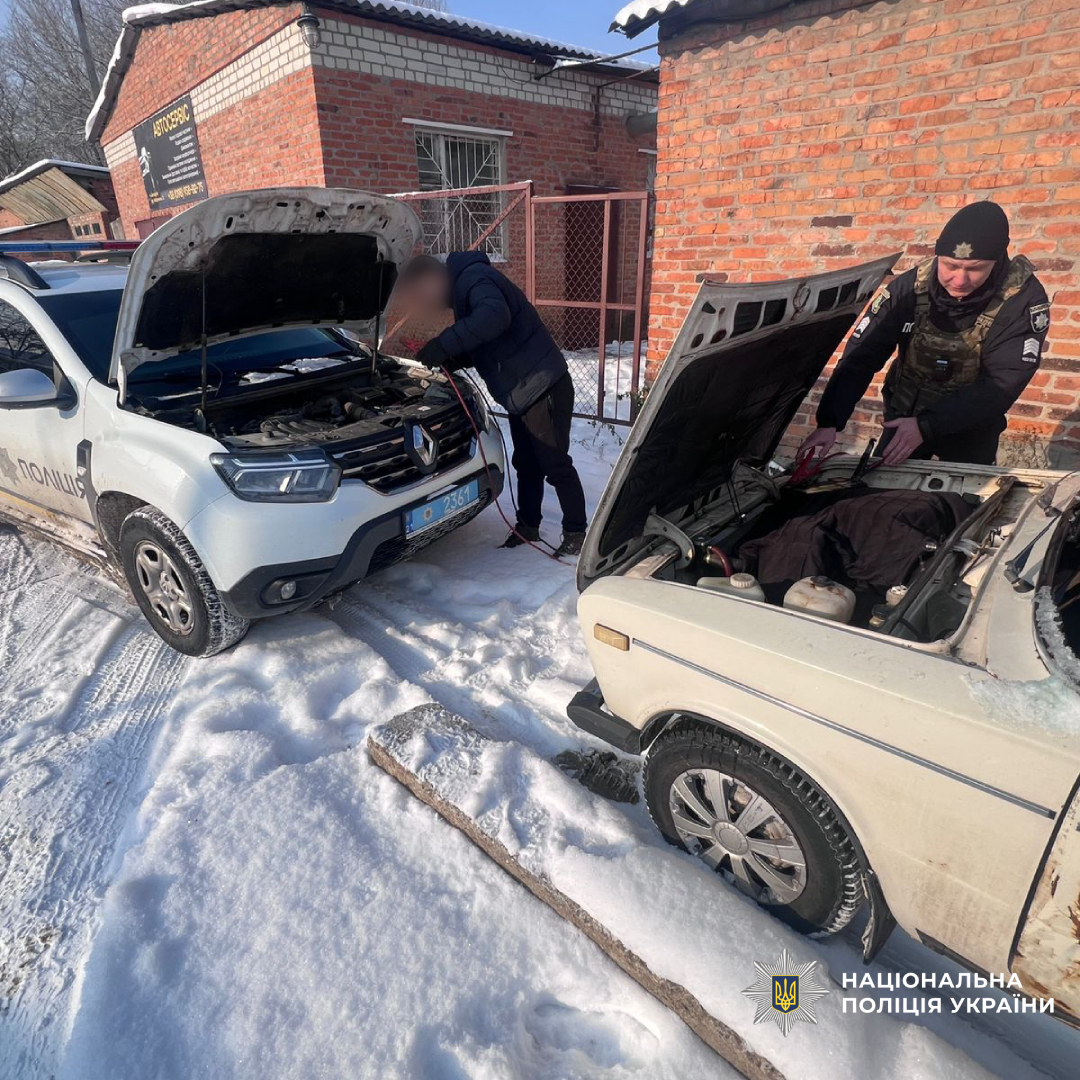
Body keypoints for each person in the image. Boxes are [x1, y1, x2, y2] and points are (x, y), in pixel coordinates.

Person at [800, 201, 1051, 467]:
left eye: (974, 269)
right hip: (904, 417)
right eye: (950, 266)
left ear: (997, 261)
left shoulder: (1021, 300)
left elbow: (1002, 383)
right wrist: (830, 422)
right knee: (878, 486)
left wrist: (927, 425)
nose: (960, 280)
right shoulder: (911, 288)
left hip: (970, 429)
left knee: (964, 491)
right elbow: (862, 355)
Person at [399, 252, 588, 556]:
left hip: (543, 385)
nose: (426, 301)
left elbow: (494, 317)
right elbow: (485, 342)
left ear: (435, 278)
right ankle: (528, 526)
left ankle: (576, 532)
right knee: (526, 464)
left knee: (555, 465)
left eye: (423, 292)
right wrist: (450, 358)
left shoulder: (474, 277)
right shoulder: (465, 291)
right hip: (521, 391)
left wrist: (444, 343)